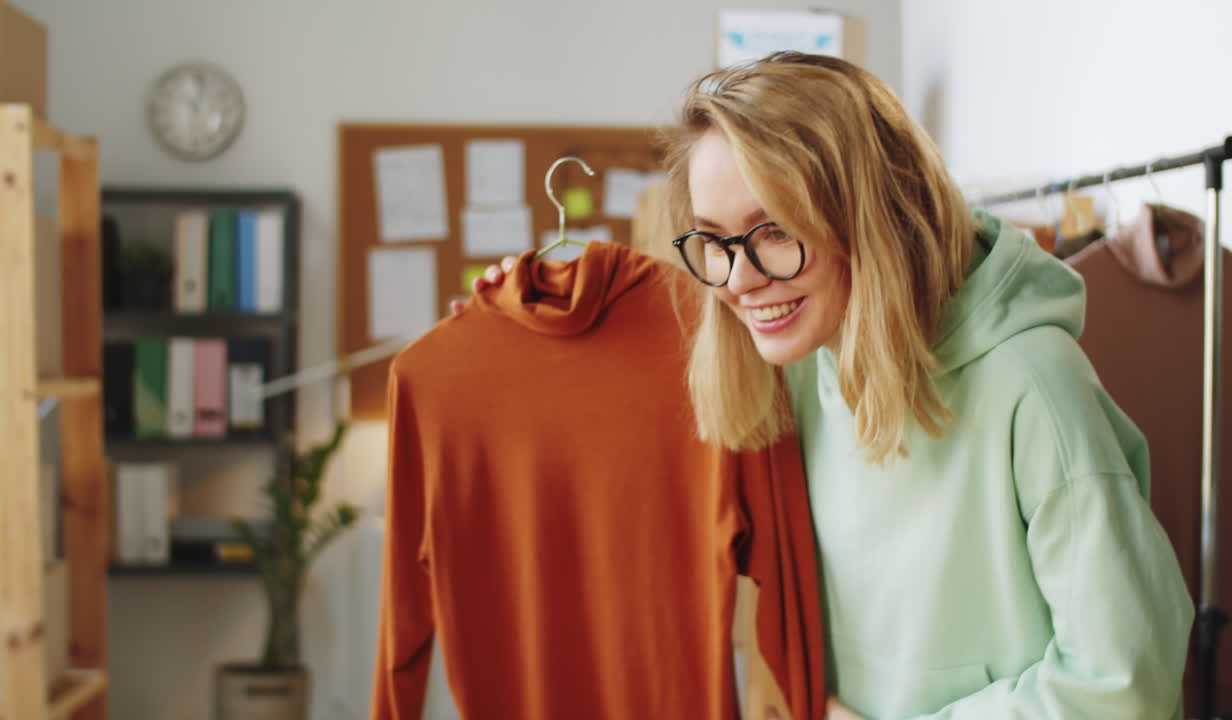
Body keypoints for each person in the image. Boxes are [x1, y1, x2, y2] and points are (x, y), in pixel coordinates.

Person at [462, 52, 1193, 720]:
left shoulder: (1034, 385)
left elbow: (1125, 683)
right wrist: (509, 326)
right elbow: (633, 388)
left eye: (776, 230)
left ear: (871, 217)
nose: (738, 279)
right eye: (714, 240)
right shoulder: (797, 362)